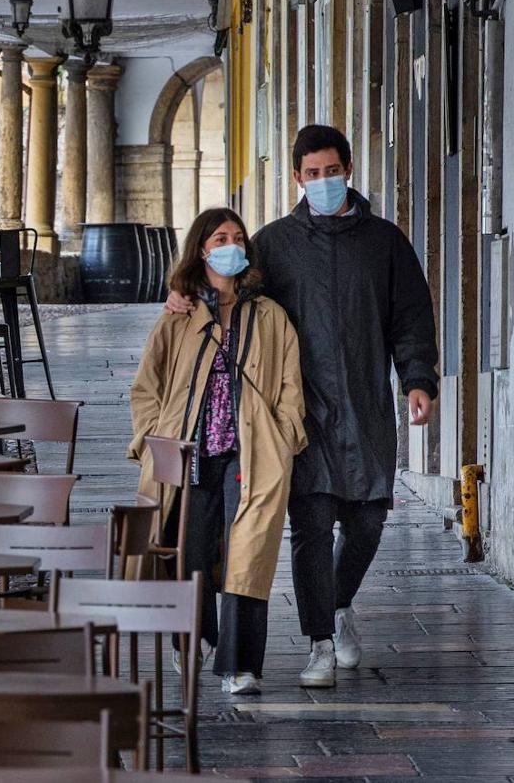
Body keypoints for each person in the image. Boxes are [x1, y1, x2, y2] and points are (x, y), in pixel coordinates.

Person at [165, 125, 439, 688]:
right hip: (295, 408)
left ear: (348, 170)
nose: (323, 182)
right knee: (310, 523)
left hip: (365, 407)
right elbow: (228, 293)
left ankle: (338, 606)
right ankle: (319, 640)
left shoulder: (385, 243)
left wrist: (418, 379)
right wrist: (184, 293)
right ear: (297, 178)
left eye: (331, 171)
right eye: (312, 174)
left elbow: (411, 317)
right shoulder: (274, 243)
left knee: (366, 520)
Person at [130, 207, 307, 695]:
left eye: (238, 236)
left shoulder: (270, 315)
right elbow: (147, 386)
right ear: (201, 249)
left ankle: (240, 665)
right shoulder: (179, 314)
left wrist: (285, 434)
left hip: (251, 454)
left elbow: (291, 385)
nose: (231, 244)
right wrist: (151, 440)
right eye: (220, 237)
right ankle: (196, 640)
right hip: (186, 452)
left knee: (245, 555)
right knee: (188, 552)